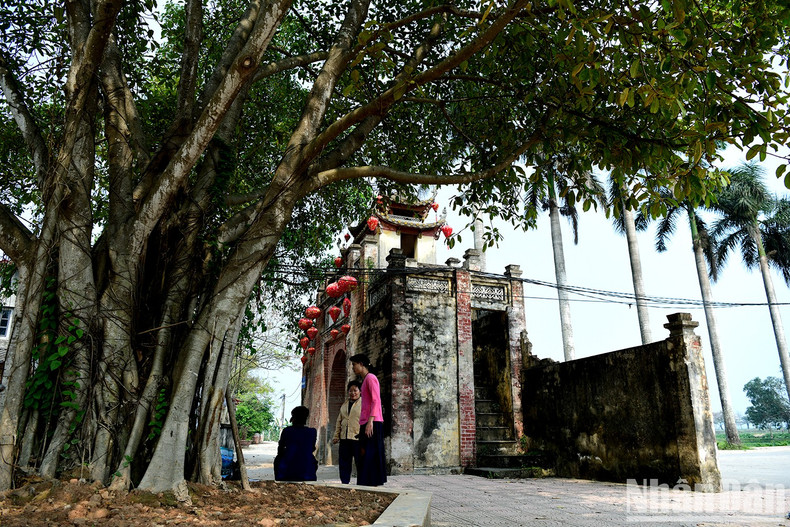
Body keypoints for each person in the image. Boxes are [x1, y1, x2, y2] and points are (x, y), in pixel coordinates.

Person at [350, 353, 387, 486]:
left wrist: (370, 421)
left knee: (369, 453)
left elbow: (376, 400)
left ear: (361, 364)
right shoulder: (365, 380)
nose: (353, 367)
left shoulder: (371, 378)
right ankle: (368, 482)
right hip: (367, 421)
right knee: (365, 453)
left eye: (354, 364)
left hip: (373, 421)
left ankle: (372, 482)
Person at [273, 405, 318, 481]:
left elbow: (280, 450)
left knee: (278, 459)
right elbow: (312, 448)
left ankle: (279, 477)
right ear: (305, 418)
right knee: (312, 459)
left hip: (285, 474)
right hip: (308, 472)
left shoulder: (287, 431)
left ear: (293, 418)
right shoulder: (312, 432)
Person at [332, 380, 362, 484]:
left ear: (360, 391)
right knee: (344, 462)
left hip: (357, 437)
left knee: (360, 462)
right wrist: (336, 436)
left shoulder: (363, 404)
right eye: (350, 391)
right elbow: (339, 421)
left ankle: (361, 483)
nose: (353, 393)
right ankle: (344, 482)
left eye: (355, 390)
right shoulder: (344, 404)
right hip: (344, 438)